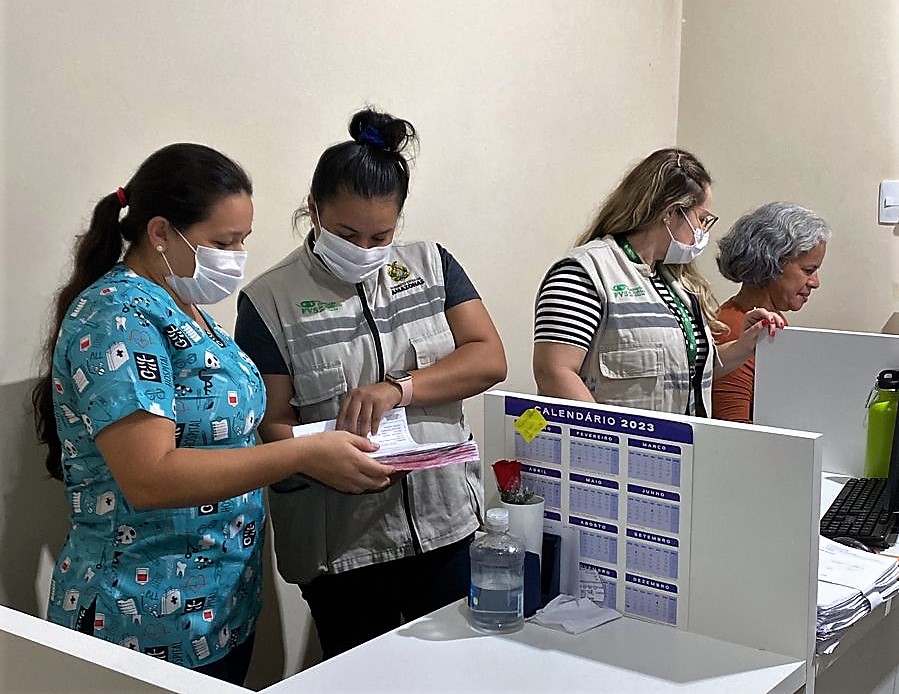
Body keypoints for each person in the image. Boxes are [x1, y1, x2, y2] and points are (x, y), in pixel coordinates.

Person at [32, 143, 394, 685]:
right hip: (141, 617)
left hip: (217, 609)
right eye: (223, 242)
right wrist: (301, 452)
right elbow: (151, 477)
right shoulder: (115, 316)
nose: (236, 256)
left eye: (242, 240)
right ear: (160, 233)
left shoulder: (180, 304)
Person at [234, 107, 507, 659]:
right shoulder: (269, 298)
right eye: (346, 232)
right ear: (314, 210)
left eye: (381, 234)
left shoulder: (431, 265)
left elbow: (488, 359)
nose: (363, 248)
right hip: (343, 546)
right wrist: (318, 455)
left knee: (461, 671)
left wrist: (398, 387)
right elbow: (270, 422)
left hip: (444, 522)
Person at [532, 147, 784, 416]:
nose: (702, 231)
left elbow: (686, 373)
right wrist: (607, 440)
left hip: (675, 449)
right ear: (671, 212)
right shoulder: (586, 273)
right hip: (614, 451)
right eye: (701, 219)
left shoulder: (676, 283)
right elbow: (553, 372)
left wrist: (744, 346)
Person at [712, 202, 830, 423]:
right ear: (771, 263)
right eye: (808, 270)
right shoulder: (732, 330)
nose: (815, 283)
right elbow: (733, 430)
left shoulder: (772, 320)